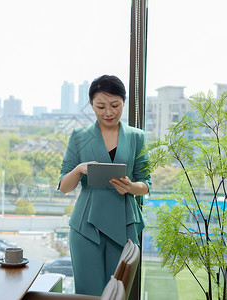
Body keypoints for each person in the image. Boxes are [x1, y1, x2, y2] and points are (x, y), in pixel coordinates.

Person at [58, 75, 151, 296]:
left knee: (118, 294)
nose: (108, 112)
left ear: (123, 103)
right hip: (86, 226)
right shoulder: (79, 137)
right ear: (91, 105)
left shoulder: (137, 137)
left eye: (115, 105)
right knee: (88, 293)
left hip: (125, 222)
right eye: (101, 106)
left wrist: (130, 187)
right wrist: (79, 169)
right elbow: (63, 186)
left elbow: (146, 184)